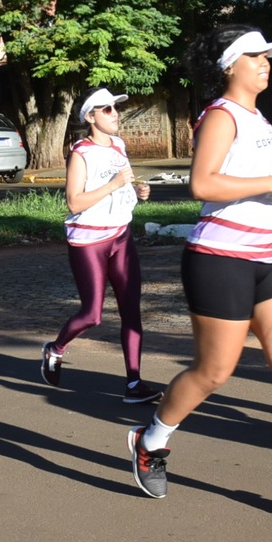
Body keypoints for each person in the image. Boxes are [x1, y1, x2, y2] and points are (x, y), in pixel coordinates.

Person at [124, 27, 272, 513]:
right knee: (214, 371)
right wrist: (271, 179)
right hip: (220, 259)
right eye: (255, 56)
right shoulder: (221, 115)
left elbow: (252, 181)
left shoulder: (260, 121)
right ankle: (151, 441)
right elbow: (203, 184)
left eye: (268, 56)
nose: (265, 62)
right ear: (231, 65)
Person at [39, 87, 158, 403]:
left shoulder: (119, 145)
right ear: (90, 117)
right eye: (106, 110)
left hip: (121, 235)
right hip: (89, 241)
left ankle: (134, 383)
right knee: (92, 315)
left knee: (131, 311)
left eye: (115, 108)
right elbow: (75, 202)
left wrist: (136, 190)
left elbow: (124, 187)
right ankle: (56, 348)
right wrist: (114, 184)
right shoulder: (81, 153)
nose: (115, 114)